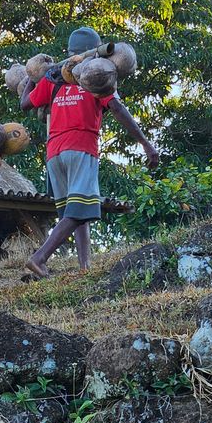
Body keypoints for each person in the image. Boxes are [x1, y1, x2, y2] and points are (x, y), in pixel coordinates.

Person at [20, 26, 160, 279]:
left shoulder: (53, 79)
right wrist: (145, 144)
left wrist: (35, 75)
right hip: (80, 147)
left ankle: (85, 266)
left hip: (54, 156)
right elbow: (117, 109)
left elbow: (24, 103)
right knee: (80, 210)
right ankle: (39, 258)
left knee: (75, 212)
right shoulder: (95, 75)